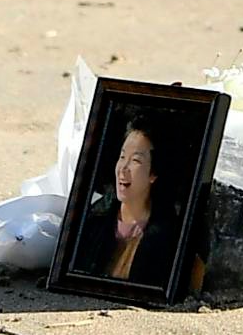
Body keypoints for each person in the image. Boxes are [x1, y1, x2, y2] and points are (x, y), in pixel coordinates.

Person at [73, 119, 187, 288]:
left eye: (135, 160)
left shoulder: (169, 236)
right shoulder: (92, 221)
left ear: (153, 174)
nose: (123, 168)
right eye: (122, 157)